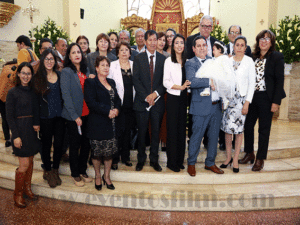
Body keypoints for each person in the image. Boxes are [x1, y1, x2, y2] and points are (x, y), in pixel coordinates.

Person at [240, 30, 285, 171]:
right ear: (258, 41)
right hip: (252, 97)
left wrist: (276, 102)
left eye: (267, 39)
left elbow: (279, 81)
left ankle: (260, 158)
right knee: (248, 126)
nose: (264, 41)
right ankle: (249, 153)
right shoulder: (252, 57)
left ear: (271, 42)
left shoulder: (276, 57)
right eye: (261, 38)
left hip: (267, 97)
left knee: (264, 130)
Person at [186, 35, 224, 177]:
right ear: (194, 49)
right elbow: (192, 81)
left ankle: (210, 163)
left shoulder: (214, 61)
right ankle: (191, 163)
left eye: (204, 45)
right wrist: (209, 81)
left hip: (216, 106)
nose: (202, 48)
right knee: (196, 136)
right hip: (200, 107)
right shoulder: (190, 63)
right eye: (199, 46)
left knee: (214, 137)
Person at [6, 62, 40, 208]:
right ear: (19, 74)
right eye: (23, 73)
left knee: (31, 161)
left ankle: (27, 189)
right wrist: (16, 136)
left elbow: (37, 110)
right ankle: (18, 194)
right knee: (24, 164)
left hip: (31, 130)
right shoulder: (12, 92)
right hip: (20, 129)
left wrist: (37, 123)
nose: (26, 76)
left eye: (29, 73)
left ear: (31, 76)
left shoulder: (33, 91)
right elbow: (9, 116)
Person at [84, 56, 121, 190]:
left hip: (111, 123)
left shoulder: (111, 82)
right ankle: (98, 176)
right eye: (103, 65)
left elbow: (117, 99)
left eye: (107, 65)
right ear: (97, 68)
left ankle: (107, 177)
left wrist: (116, 109)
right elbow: (91, 102)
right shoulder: (91, 83)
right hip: (97, 122)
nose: (106, 68)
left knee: (109, 152)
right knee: (97, 153)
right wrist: (108, 111)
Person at [220, 36, 256, 173]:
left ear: (245, 48)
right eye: (237, 45)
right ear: (233, 47)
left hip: (241, 101)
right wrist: (223, 99)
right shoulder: (227, 61)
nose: (239, 47)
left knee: (239, 131)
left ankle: (235, 159)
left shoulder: (249, 62)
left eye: (242, 45)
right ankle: (228, 157)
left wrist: (247, 102)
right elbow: (223, 81)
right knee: (228, 130)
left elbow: (252, 84)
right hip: (229, 101)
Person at [132, 30, 166, 172]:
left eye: (155, 39)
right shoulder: (138, 59)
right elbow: (136, 80)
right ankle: (141, 159)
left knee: (156, 132)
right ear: (145, 42)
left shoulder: (163, 59)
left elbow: (165, 81)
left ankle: (154, 159)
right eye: (150, 40)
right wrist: (147, 97)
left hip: (157, 102)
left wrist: (155, 95)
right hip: (142, 102)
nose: (153, 42)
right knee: (142, 132)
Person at [60, 43, 92, 187]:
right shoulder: (67, 72)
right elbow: (66, 95)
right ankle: (75, 174)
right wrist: (74, 116)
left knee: (86, 145)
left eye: (78, 52)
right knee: (74, 145)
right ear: (69, 56)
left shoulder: (86, 70)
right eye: (73, 52)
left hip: (88, 113)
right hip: (74, 116)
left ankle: (82, 170)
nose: (77, 54)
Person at [32, 49, 65, 188]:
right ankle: (47, 169)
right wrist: (36, 122)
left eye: (52, 59)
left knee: (58, 144)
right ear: (42, 61)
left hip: (59, 117)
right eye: (47, 59)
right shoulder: (37, 78)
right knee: (46, 145)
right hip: (45, 117)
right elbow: (34, 102)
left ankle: (55, 169)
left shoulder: (60, 75)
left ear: (55, 61)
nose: (49, 61)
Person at [163, 34, 190, 172]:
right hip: (173, 98)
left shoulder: (187, 61)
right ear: (173, 45)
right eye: (177, 43)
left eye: (181, 43)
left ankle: (179, 160)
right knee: (172, 130)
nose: (179, 45)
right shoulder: (169, 61)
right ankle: (171, 162)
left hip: (183, 98)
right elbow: (165, 82)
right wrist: (180, 87)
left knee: (181, 130)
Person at [108, 42, 135, 170]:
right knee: (117, 131)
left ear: (130, 52)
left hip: (131, 104)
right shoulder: (112, 66)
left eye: (126, 50)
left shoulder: (135, 65)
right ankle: (114, 158)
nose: (124, 52)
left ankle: (126, 156)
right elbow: (108, 85)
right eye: (121, 50)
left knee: (128, 132)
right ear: (117, 52)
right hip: (117, 104)